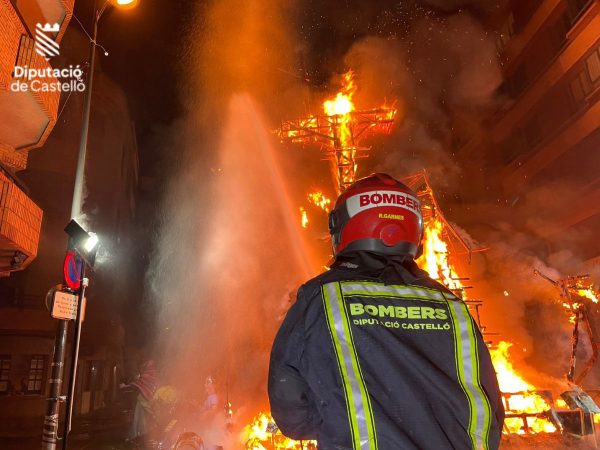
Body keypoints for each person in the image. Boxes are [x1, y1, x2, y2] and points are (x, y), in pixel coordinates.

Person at [268, 173, 504, 450]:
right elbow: (488, 407)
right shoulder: (450, 303)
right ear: (415, 230)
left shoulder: (321, 297)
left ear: (342, 227)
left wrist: (335, 422)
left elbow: (291, 411)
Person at [121, 359, 160, 440]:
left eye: (145, 366)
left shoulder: (147, 375)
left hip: (145, 401)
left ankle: (142, 435)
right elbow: (140, 383)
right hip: (149, 401)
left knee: (141, 418)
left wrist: (125, 386)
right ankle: (145, 435)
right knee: (143, 418)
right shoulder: (155, 376)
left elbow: (138, 383)